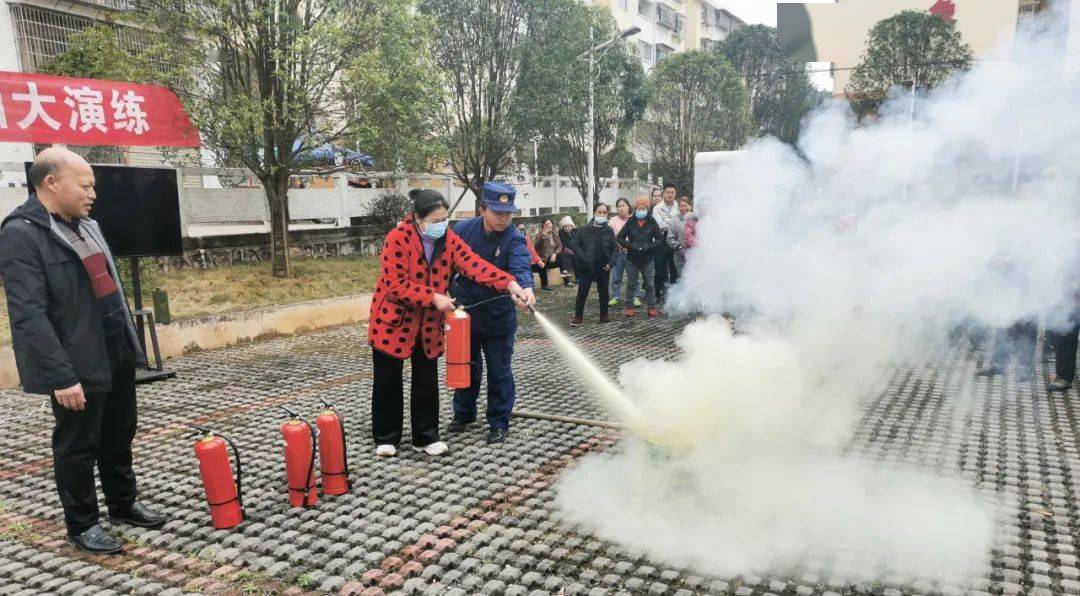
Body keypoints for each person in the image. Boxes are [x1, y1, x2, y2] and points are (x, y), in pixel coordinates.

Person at [0, 147, 169, 554]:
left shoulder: (87, 225)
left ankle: (123, 503)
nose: (93, 192)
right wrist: (62, 375)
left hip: (115, 348)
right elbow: (29, 316)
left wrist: (131, 343)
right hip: (77, 358)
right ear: (51, 183)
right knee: (77, 445)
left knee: (119, 431)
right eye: (85, 184)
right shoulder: (21, 234)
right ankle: (82, 523)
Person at [368, 189, 532, 457]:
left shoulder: (450, 239)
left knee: (426, 379)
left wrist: (510, 284)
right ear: (417, 219)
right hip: (393, 322)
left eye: (445, 219)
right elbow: (394, 284)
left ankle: (425, 435)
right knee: (388, 380)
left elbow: (474, 264)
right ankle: (387, 437)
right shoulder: (397, 238)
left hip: (428, 325)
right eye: (435, 221)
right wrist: (433, 297)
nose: (441, 225)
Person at [449, 182, 538, 445]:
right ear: (482, 209)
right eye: (498, 212)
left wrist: (526, 290)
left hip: (498, 318)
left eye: (508, 213)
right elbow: (448, 263)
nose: (504, 219)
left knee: (499, 371)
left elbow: (521, 267)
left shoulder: (514, 238)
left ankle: (499, 422)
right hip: (465, 314)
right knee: (468, 368)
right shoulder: (463, 230)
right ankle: (463, 415)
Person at [570, 203, 618, 326]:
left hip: (604, 267)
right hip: (587, 267)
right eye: (599, 212)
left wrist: (611, 264)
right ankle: (578, 317)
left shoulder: (609, 230)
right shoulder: (584, 229)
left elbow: (615, 249)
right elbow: (576, 245)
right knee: (582, 292)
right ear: (594, 212)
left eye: (604, 213)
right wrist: (584, 257)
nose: (602, 215)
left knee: (604, 292)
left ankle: (604, 316)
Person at [617, 196, 664, 318]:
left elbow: (659, 239)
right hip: (632, 258)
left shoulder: (652, 222)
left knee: (649, 284)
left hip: (647, 259)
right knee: (631, 284)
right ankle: (629, 307)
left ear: (647, 209)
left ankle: (651, 308)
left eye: (643, 208)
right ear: (635, 208)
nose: (641, 210)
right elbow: (620, 237)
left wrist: (649, 246)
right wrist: (630, 245)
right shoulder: (630, 221)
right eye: (638, 208)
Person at [652, 183, 680, 301]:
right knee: (659, 267)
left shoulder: (679, 207)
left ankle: (674, 294)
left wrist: (667, 221)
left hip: (674, 239)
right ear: (664, 193)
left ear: (675, 193)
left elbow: (679, 224)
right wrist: (672, 223)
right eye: (668, 192)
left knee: (674, 268)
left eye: (672, 192)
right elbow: (658, 225)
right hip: (660, 240)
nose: (670, 195)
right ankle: (658, 293)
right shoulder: (657, 208)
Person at [607, 198, 637, 308]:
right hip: (617, 252)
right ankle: (615, 296)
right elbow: (610, 236)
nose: (621, 208)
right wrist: (619, 245)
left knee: (633, 276)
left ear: (628, 206)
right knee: (616, 276)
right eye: (619, 206)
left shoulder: (634, 219)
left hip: (632, 252)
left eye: (623, 205)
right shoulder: (613, 220)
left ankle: (635, 296)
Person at [533, 219, 569, 291]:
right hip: (544, 260)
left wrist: (555, 253)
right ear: (543, 226)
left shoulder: (554, 235)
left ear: (552, 225)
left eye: (550, 224)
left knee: (562, 255)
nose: (548, 225)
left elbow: (559, 246)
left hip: (552, 259)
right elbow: (537, 247)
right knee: (542, 265)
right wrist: (543, 236)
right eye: (546, 224)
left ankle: (566, 280)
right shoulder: (540, 235)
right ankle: (544, 286)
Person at [669, 197, 698, 273]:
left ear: (691, 206)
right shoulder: (675, 220)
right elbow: (670, 238)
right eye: (681, 206)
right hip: (680, 257)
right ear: (678, 207)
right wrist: (680, 247)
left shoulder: (697, 218)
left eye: (686, 205)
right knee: (682, 279)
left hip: (695, 255)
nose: (684, 208)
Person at [519, 223, 544, 287]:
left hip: (530, 262)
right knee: (527, 273)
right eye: (520, 228)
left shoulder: (527, 239)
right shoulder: (514, 240)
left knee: (541, 266)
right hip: (521, 264)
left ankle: (544, 286)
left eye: (523, 228)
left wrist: (539, 260)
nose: (522, 230)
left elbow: (533, 252)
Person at [558, 215, 578, 287]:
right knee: (575, 258)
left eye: (568, 226)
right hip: (566, 254)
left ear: (572, 226)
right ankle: (568, 281)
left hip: (575, 252)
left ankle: (580, 278)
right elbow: (563, 247)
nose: (567, 228)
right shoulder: (561, 234)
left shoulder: (575, 232)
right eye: (565, 226)